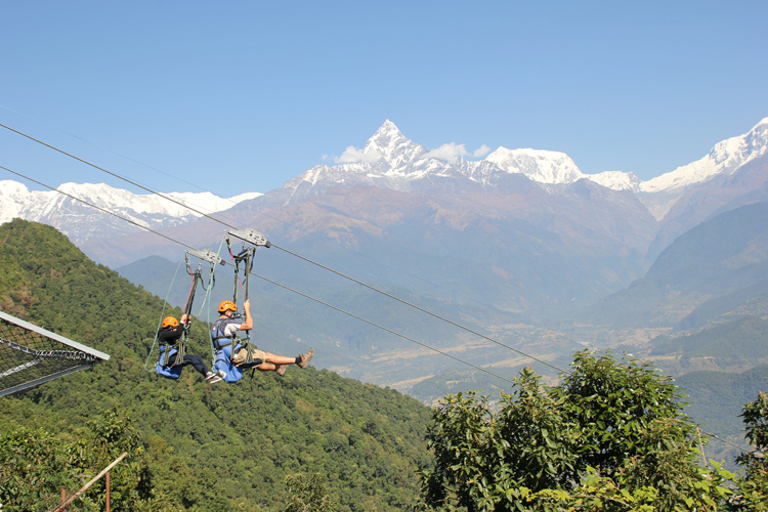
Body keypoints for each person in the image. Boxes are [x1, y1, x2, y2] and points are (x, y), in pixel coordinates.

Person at [211, 299, 314, 383]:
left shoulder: (215, 326)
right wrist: (247, 309)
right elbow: (249, 325)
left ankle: (277, 368)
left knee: (257, 362)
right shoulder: (226, 323)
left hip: (232, 358)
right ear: (228, 312)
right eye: (232, 313)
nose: (233, 316)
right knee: (267, 356)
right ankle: (300, 361)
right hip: (239, 355)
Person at [156, 314, 223, 383]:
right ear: (170, 327)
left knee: (197, 358)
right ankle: (207, 374)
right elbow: (178, 333)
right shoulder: (163, 334)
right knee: (192, 359)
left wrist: (188, 322)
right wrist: (182, 321)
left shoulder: (169, 336)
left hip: (173, 358)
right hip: (169, 359)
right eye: (175, 327)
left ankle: (208, 374)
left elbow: (182, 332)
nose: (176, 329)